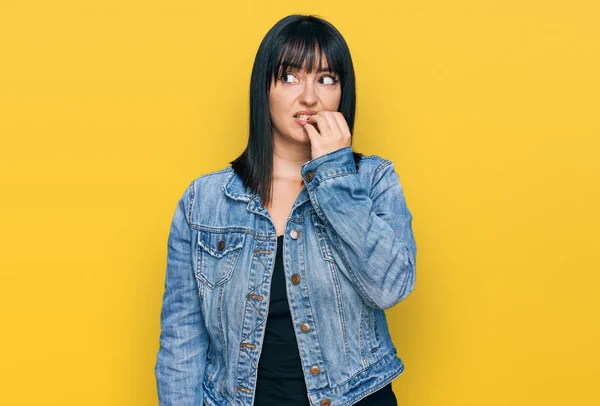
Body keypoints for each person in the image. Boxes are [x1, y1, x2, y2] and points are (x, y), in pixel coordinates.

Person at [155, 14, 417, 406]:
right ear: (264, 88)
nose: (309, 97)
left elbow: (391, 287)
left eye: (326, 79)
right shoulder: (204, 201)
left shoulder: (373, 181)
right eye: (290, 77)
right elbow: (182, 342)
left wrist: (333, 174)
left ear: (342, 93)